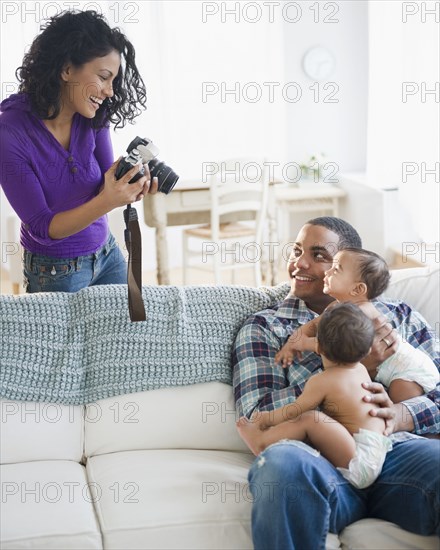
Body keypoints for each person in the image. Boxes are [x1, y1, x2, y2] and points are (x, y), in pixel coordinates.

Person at [232, 217, 439, 549]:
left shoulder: (400, 318)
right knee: (281, 466)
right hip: (319, 463)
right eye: (297, 250)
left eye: (319, 256)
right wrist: (348, 369)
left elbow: (436, 394)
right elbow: (258, 414)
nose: (300, 263)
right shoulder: (266, 328)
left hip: (398, 454)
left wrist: (399, 414)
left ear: (355, 277)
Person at [0, 10, 158, 293]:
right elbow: (42, 226)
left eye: (113, 81)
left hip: (106, 253)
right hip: (55, 270)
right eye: (103, 77)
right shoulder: (9, 133)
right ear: (66, 69)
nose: (110, 91)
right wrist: (109, 200)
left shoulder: (93, 115)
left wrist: (130, 183)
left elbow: (102, 187)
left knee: (127, 334)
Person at [237, 302, 393, 490]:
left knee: (311, 419)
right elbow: (324, 345)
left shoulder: (322, 381)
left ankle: (261, 442)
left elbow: (293, 410)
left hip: (358, 460)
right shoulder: (361, 369)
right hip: (377, 453)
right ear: (368, 350)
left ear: (319, 348)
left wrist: (264, 418)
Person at [275, 248, 439, 403]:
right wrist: (290, 345)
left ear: (357, 289)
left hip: (409, 371)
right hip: (390, 370)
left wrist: (304, 344)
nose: (327, 272)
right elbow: (311, 327)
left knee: (397, 407)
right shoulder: (334, 308)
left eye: (336, 270)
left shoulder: (361, 312)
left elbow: (335, 348)